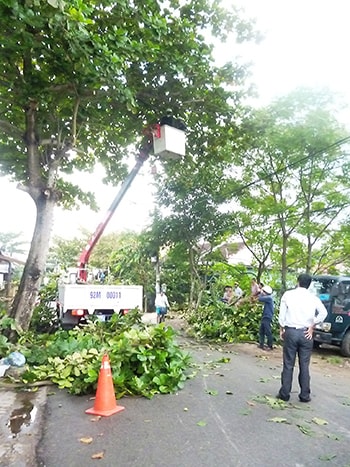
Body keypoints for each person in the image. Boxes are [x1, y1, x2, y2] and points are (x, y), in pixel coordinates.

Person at [277, 273, 328, 403]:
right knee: (304, 365)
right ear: (309, 284)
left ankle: (284, 394)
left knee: (288, 363)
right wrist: (313, 324)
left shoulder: (288, 295)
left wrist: (282, 328)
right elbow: (324, 313)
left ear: (298, 281)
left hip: (291, 332)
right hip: (307, 333)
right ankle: (304, 395)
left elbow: (282, 314)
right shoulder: (313, 298)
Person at [257, 285, 274, 350]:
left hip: (267, 316)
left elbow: (259, 299)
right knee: (261, 331)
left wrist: (260, 292)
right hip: (265, 316)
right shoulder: (268, 298)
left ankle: (270, 345)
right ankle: (261, 344)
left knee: (267, 331)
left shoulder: (269, 298)